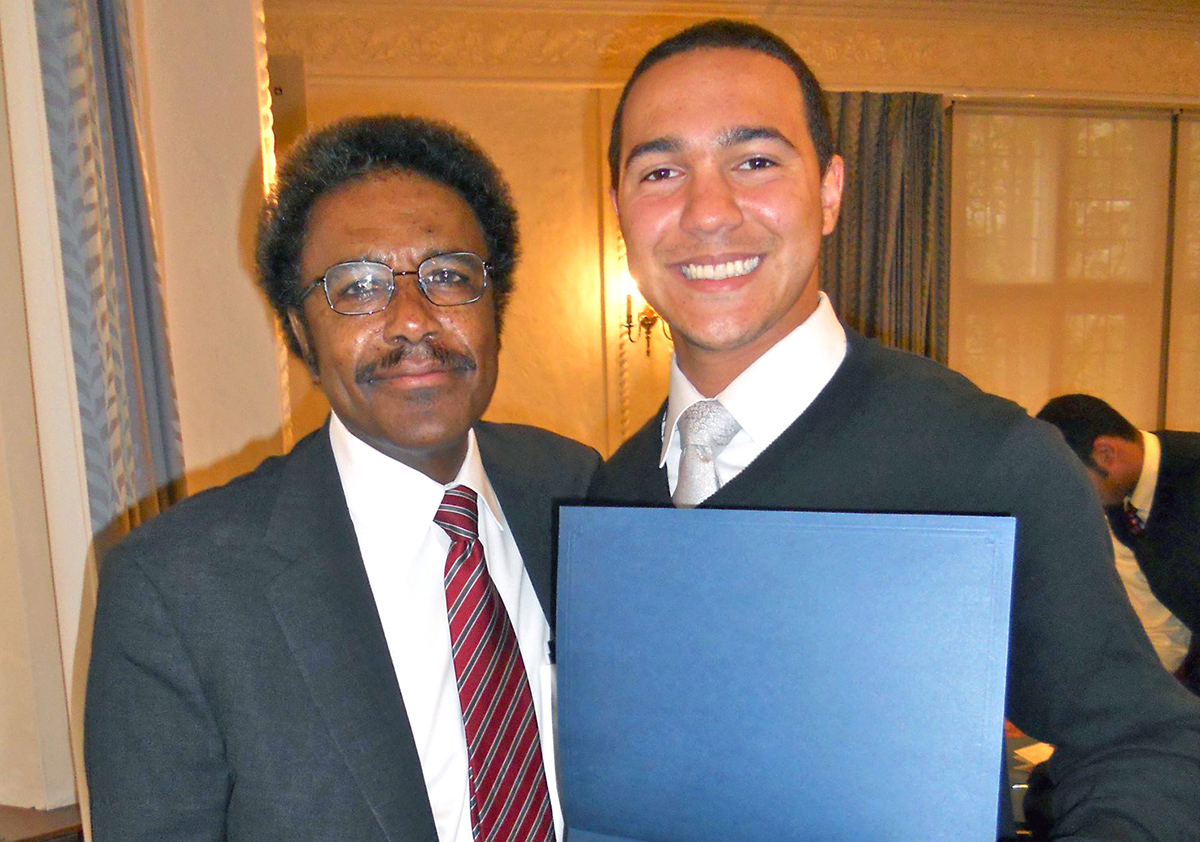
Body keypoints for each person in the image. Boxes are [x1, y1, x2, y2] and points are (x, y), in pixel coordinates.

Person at [590, 18, 1200, 840]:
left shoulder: (983, 462)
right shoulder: (617, 490)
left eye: (756, 161)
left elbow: (1145, 745)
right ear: (621, 211)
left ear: (831, 191)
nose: (708, 212)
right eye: (661, 171)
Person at [84, 115, 599, 842]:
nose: (413, 322)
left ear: (496, 307)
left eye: (449, 276)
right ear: (300, 331)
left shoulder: (575, 490)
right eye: (357, 287)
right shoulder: (177, 587)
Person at [1037, 393, 1200, 694]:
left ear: (1106, 453)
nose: (1075, 497)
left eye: (1075, 481)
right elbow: (1161, 628)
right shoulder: (1122, 502)